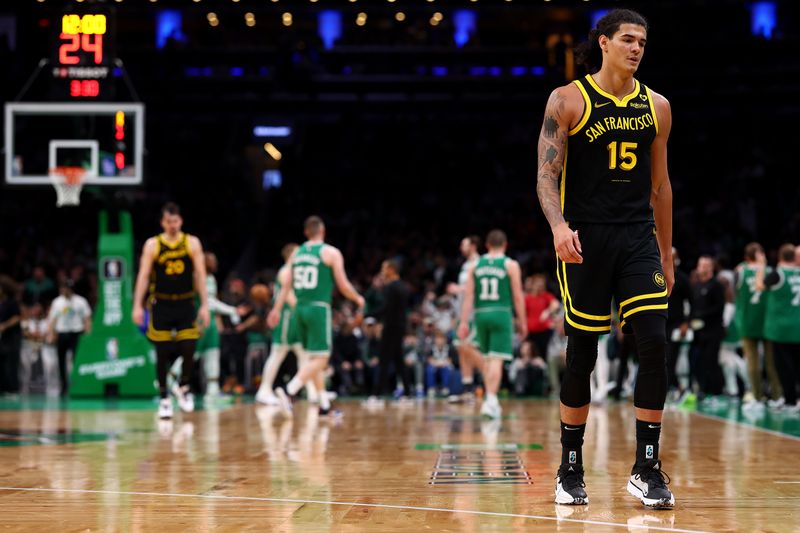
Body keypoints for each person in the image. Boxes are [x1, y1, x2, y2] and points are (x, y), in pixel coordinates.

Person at [536, 9, 675, 508]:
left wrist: (666, 249)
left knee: (655, 343)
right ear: (604, 43)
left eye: (642, 41)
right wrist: (557, 228)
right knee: (583, 354)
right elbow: (546, 176)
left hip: (638, 236)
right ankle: (570, 467)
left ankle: (647, 467)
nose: (636, 48)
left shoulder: (657, 106)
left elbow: (660, 186)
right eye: (627, 40)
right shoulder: (568, 99)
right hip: (585, 237)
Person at [268, 216, 365, 417]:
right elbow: (343, 285)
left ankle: (324, 405)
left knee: (313, 358)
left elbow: (286, 286)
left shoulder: (296, 254)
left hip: (299, 310)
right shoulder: (330, 252)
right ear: (323, 231)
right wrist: (358, 298)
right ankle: (290, 391)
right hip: (318, 308)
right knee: (321, 359)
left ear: (306, 233)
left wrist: (276, 310)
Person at [132, 202, 209, 419]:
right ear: (162, 222)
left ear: (181, 221)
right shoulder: (153, 245)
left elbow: (200, 275)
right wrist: (137, 305)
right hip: (162, 304)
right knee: (162, 352)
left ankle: (183, 387)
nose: (172, 225)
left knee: (189, 348)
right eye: (168, 222)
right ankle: (164, 398)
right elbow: (144, 276)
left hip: (185, 303)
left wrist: (205, 304)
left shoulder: (192, 243)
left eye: (175, 221)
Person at [458, 230, 527, 419]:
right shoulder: (510, 264)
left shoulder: (474, 265)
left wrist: (464, 322)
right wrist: (522, 321)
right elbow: (518, 296)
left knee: (488, 359)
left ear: (487, 246)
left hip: (481, 314)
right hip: (501, 312)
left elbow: (468, 297)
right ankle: (490, 400)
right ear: (505, 245)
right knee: (496, 359)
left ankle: (490, 400)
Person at [256, 243, 316, 405]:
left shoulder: (296, 272)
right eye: (298, 253)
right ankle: (264, 390)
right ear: (291, 255)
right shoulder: (285, 272)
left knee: (304, 356)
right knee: (277, 354)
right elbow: (289, 298)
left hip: (295, 320)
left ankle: (311, 391)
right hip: (286, 319)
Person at [735, 243, 782, 406]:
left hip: (748, 322)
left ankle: (757, 397)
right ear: (761, 254)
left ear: (747, 257)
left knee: (753, 363)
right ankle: (778, 396)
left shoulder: (741, 271)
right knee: (771, 363)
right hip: (767, 322)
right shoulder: (770, 271)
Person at [759, 244, 800, 413]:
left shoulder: (777, 274)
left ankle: (790, 401)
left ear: (780, 257)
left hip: (781, 330)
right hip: (797, 326)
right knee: (797, 366)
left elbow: (759, 286)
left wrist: (761, 265)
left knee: (784, 367)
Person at [448, 235, 483, 403]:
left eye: (464, 244)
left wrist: (459, 288)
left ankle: (489, 379)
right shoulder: (465, 265)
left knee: (468, 348)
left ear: (473, 246)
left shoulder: (479, 263)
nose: (462, 247)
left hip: (474, 314)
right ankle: (468, 390)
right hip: (462, 314)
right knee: (462, 350)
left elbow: (476, 289)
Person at [46, 279, 92, 397]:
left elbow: (86, 319)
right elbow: (53, 319)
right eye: (63, 288)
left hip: (76, 333)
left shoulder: (81, 301)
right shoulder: (57, 302)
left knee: (77, 360)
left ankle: (79, 385)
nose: (64, 290)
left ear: (71, 289)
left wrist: (88, 334)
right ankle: (64, 386)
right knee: (61, 361)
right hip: (62, 333)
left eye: (66, 288)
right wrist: (51, 333)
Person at [688, 256, 726, 399]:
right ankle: (703, 389)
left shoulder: (716, 285)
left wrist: (701, 315)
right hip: (698, 332)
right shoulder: (696, 286)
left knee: (711, 361)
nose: (702, 268)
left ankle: (716, 392)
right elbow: (693, 307)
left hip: (713, 331)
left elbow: (719, 307)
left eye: (706, 265)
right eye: (701, 265)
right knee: (698, 362)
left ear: (711, 268)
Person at [374, 259, 412, 399]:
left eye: (384, 268)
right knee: (399, 361)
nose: (382, 271)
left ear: (391, 269)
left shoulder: (391, 287)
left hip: (390, 327)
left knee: (384, 361)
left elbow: (386, 308)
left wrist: (369, 315)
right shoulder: (404, 286)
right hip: (400, 327)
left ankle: (377, 395)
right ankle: (407, 392)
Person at [665, 247, 692, 401]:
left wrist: (686, 323)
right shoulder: (657, 275)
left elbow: (692, 303)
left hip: (676, 325)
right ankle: (674, 388)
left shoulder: (682, 279)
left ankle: (678, 389)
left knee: (671, 358)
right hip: (661, 323)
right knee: (661, 358)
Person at [524, 274, 560, 360]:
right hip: (531, 333)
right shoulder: (527, 298)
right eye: (538, 284)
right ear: (533, 284)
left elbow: (556, 304)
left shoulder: (546, 296)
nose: (540, 287)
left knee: (544, 356)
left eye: (542, 284)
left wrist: (547, 312)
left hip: (544, 332)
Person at [0, 278, 22, 396]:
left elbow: (17, 317)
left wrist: (4, 325)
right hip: (3, 339)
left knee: (11, 363)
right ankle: (3, 389)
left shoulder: (11, 302)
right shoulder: (2, 303)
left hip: (12, 337)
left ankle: (13, 389)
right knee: (2, 363)